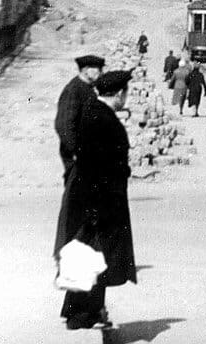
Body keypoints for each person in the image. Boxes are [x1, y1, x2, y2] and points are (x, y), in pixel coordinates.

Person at [54, 69, 137, 331]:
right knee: (94, 259)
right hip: (100, 203)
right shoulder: (103, 119)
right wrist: (96, 210)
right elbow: (97, 167)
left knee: (91, 259)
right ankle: (83, 315)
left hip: (94, 201)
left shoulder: (95, 113)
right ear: (120, 93)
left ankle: (83, 312)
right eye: (127, 92)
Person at [55, 54, 105, 182]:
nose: (101, 73)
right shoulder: (74, 90)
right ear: (86, 70)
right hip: (78, 154)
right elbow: (64, 124)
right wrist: (76, 150)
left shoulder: (87, 88)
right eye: (98, 69)